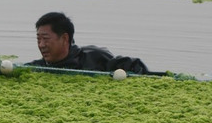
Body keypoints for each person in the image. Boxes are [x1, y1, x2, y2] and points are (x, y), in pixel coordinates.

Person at [28, 11, 156, 75]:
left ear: (65, 38)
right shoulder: (37, 68)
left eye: (46, 39)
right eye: (38, 39)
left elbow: (132, 65)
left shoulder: (94, 57)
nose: (41, 45)